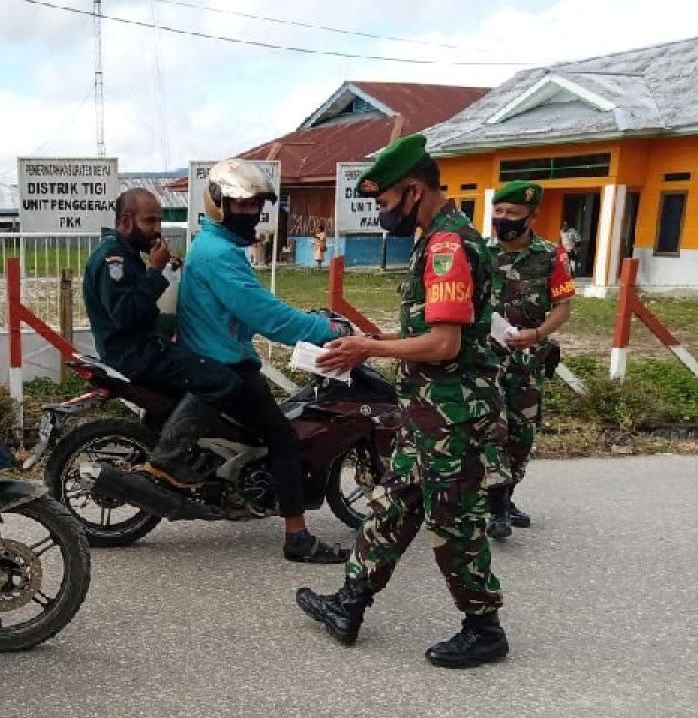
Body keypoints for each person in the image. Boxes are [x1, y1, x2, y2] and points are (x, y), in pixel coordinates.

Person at [295, 134, 511, 668]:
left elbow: (445, 343)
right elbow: (432, 329)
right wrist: (376, 347)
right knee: (394, 504)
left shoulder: (447, 248)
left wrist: (370, 345)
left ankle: (484, 627)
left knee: (453, 522)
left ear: (413, 191)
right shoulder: (436, 238)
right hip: (430, 411)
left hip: (454, 414)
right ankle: (349, 603)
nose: (381, 214)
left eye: (386, 203)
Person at [178, 159, 352, 564]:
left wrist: (312, 320)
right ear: (218, 204)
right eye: (241, 205)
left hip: (215, 356)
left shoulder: (214, 247)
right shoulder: (219, 254)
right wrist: (328, 331)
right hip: (224, 366)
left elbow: (256, 308)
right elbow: (267, 317)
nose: (251, 213)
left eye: (256, 204)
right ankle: (297, 538)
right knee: (284, 440)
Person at [82, 188, 242, 489]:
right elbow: (126, 316)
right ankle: (170, 457)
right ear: (127, 220)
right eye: (150, 221)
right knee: (222, 381)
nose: (157, 230)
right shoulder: (112, 259)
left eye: (159, 221)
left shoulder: (124, 254)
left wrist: (163, 270)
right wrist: (156, 272)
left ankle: (161, 447)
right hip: (135, 354)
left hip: (141, 348)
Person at [486, 181, 575, 538]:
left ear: (531, 216)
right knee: (492, 429)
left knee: (521, 436)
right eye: (499, 211)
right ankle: (495, 508)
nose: (503, 219)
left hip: (528, 360)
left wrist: (537, 335)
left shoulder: (551, 256)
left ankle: (505, 497)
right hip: (486, 360)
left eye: (512, 213)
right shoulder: (480, 252)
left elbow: (563, 306)